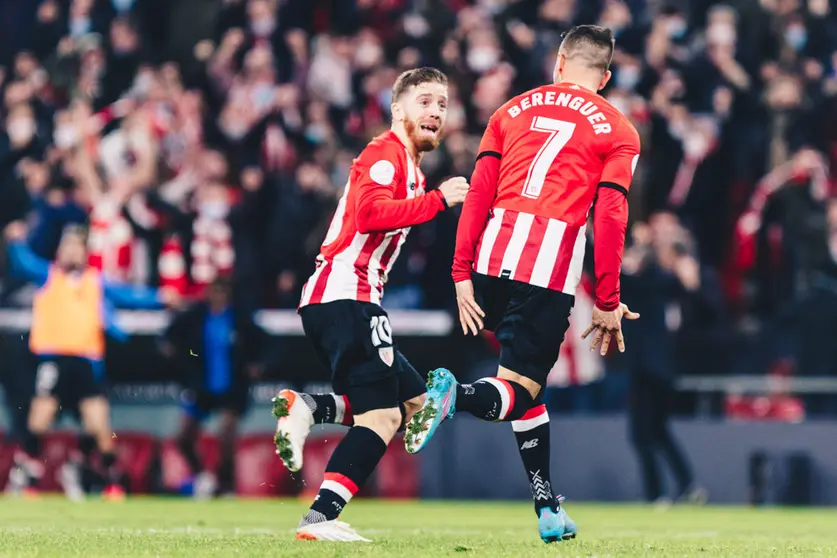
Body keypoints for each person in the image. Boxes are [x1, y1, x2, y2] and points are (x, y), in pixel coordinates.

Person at [405, 25, 641, 544]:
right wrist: (607, 299)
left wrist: (460, 271)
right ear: (604, 76)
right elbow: (610, 216)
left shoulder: (510, 111)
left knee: (523, 389)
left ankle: (547, 507)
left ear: (559, 61)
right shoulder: (619, 130)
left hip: (491, 254)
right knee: (518, 389)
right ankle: (455, 398)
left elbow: (478, 193)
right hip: (547, 266)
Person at [270, 67, 469, 542]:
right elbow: (369, 213)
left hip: (340, 298)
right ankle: (320, 518)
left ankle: (310, 407)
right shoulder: (386, 155)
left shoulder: (411, 169)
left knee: (418, 407)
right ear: (398, 108)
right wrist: (439, 202)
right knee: (383, 417)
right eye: (425, 101)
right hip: (348, 294)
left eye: (442, 104)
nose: (436, 112)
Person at [3, 221, 174, 500]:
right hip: (54, 358)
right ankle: (26, 478)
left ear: (85, 253)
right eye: (66, 247)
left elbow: (129, 295)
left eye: (76, 248)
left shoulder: (95, 282)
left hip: (85, 362)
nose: (70, 253)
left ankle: (112, 481)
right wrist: (15, 241)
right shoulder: (48, 276)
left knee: (100, 425)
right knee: (39, 419)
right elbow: (22, 262)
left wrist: (159, 297)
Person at [160, 275, 270, 498]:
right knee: (183, 437)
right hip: (202, 388)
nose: (217, 295)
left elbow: (267, 343)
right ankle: (203, 477)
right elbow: (169, 335)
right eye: (214, 290)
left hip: (232, 389)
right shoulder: (196, 316)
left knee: (226, 436)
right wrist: (179, 357)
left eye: (222, 291)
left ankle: (225, 484)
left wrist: (259, 364)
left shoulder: (240, 319)